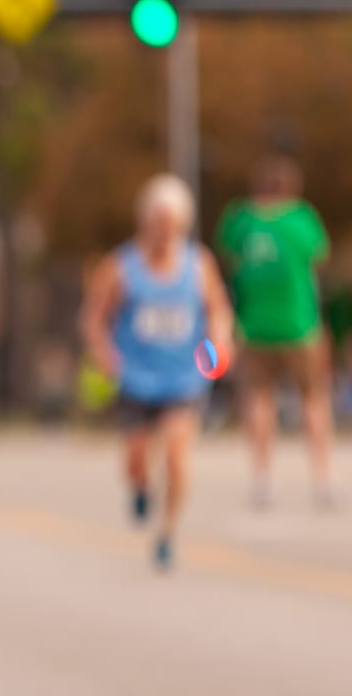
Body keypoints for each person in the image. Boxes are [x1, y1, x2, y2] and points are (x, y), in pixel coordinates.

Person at [81, 175, 236, 571]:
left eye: (171, 224)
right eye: (157, 223)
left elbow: (217, 310)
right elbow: (95, 316)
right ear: (144, 222)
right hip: (136, 376)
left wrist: (218, 342)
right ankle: (140, 486)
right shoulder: (121, 267)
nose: (163, 233)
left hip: (184, 377)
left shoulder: (198, 264)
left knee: (177, 453)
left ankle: (166, 532)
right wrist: (105, 354)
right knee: (136, 458)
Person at [214, 155, 337, 509]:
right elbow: (318, 260)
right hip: (299, 323)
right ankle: (322, 478)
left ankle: (262, 477)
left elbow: (229, 257)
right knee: (313, 399)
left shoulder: (240, 220)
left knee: (258, 400)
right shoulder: (300, 218)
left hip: (253, 324)